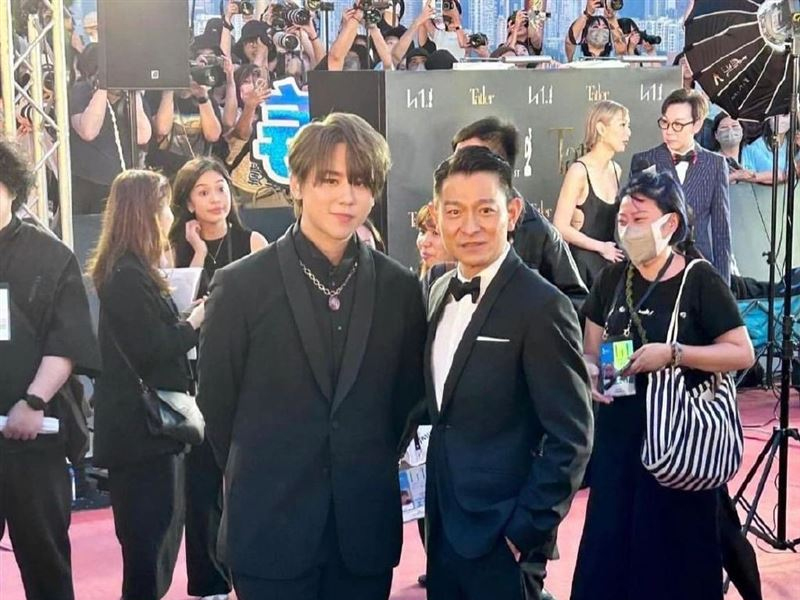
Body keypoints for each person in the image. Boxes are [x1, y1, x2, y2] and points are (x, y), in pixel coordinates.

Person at [197, 112, 426, 600]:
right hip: (269, 528)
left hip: (363, 533)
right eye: (330, 180)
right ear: (297, 184)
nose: (347, 197)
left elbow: (407, 404)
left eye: (361, 182)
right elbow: (217, 405)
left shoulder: (401, 290)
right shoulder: (240, 286)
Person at [571, 170, 754, 600]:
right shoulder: (612, 279)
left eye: (639, 219)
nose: (628, 229)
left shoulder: (699, 279)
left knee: (674, 559)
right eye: (622, 220)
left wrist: (674, 354)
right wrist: (591, 372)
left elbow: (741, 352)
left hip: (679, 443)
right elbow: (589, 349)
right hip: (618, 440)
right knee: (609, 553)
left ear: (670, 223)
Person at [424, 147, 593, 600]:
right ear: (437, 216)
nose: (469, 226)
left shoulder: (542, 305)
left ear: (513, 212)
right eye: (454, 212)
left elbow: (572, 436)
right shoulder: (439, 289)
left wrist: (525, 531)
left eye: (485, 210)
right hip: (443, 529)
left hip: (504, 537)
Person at [89, 170, 206, 600]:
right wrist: (195, 321)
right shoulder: (126, 275)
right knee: (148, 548)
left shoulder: (132, 270)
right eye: (163, 207)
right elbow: (154, 346)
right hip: (142, 435)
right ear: (144, 212)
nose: (169, 216)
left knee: (156, 546)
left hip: (149, 433)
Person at [0, 139, 100, 600]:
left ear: (11, 187)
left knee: (45, 565)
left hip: (35, 437)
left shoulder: (50, 255)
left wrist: (33, 401)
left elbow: (67, 341)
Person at [169, 157, 267, 600]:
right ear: (188, 202)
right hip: (193, 378)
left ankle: (257, 569)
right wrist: (197, 254)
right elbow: (174, 317)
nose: (216, 198)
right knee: (203, 484)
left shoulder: (253, 241)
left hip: (250, 373)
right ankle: (209, 583)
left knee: (251, 478)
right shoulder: (175, 247)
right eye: (204, 191)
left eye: (221, 188)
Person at [452, 117, 588, 305]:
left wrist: (529, 313)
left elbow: (576, 301)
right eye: (455, 159)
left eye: (468, 159)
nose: (456, 168)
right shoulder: (445, 223)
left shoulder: (539, 232)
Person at [631, 88, 732, 285]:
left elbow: (721, 233)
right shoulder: (644, 161)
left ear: (697, 125)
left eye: (677, 125)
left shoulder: (715, 164)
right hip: (655, 274)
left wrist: (723, 288)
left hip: (699, 270)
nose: (669, 131)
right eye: (665, 123)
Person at [554, 100, 629, 290]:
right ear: (601, 129)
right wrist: (601, 247)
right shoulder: (579, 171)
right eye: (622, 125)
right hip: (582, 270)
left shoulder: (616, 170)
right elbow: (560, 226)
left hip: (611, 266)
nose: (628, 133)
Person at [741, 115, 795, 185]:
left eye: (784, 115)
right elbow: (746, 176)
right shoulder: (755, 147)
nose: (778, 119)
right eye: (774, 116)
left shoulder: (792, 144)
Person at [711, 113, 754, 184]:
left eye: (734, 126)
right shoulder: (710, 159)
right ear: (716, 135)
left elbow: (773, 174)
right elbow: (705, 185)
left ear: (742, 130)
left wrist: (751, 177)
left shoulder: (751, 152)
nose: (730, 130)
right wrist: (734, 176)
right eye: (724, 127)